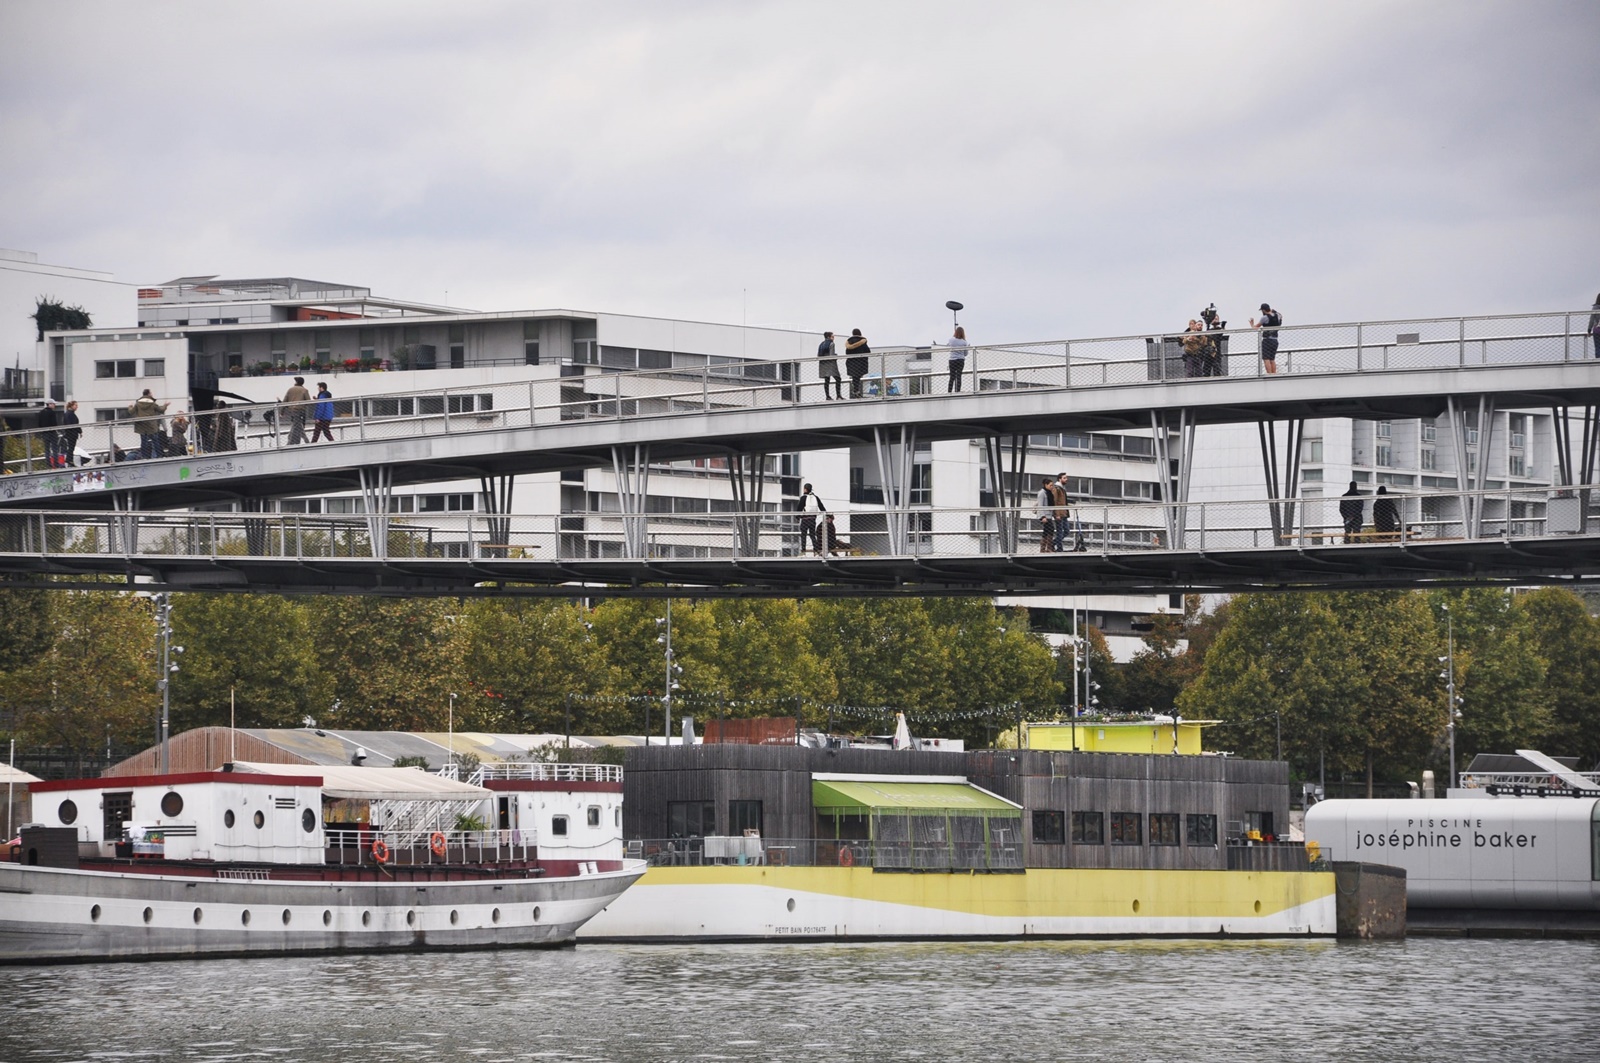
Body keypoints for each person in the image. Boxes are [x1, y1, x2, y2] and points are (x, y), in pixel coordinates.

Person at [127, 389, 169, 460]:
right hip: (151, 426)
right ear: (148, 394)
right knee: (156, 441)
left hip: (142, 426)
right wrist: (165, 405)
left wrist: (130, 406)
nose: (152, 394)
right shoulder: (152, 404)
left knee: (144, 442)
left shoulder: (138, 404)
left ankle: (144, 456)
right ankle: (159, 455)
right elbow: (161, 410)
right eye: (151, 393)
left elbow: (131, 412)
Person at [1250, 303, 1282, 374]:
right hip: (1275, 340)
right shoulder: (1277, 315)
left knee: (1266, 358)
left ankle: (1269, 373)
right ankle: (1274, 373)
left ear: (1263, 310)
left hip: (1267, 340)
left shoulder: (1265, 318)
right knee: (1272, 359)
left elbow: (1256, 327)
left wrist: (1252, 324)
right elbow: (1281, 316)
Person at [798, 482, 826, 555]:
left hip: (805, 519)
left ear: (805, 489)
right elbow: (821, 507)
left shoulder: (803, 498)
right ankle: (816, 549)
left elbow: (799, 508)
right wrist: (826, 514)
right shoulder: (816, 498)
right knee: (812, 535)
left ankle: (803, 550)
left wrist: (797, 516)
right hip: (813, 519)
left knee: (803, 535)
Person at [282, 376, 312, 444]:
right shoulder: (304, 390)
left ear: (296, 382)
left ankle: (292, 441)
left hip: (292, 410)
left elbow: (285, 401)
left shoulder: (290, 389)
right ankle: (302, 441)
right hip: (300, 410)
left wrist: (282, 411)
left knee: (296, 425)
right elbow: (308, 401)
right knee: (297, 426)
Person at [845, 329, 870, 399]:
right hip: (861, 362)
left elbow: (847, 352)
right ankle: (858, 391)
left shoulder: (849, 342)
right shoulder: (862, 341)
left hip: (851, 363)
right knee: (858, 377)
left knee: (854, 377)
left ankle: (855, 391)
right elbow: (867, 351)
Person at [817, 332, 842, 400]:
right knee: (838, 379)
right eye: (832, 336)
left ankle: (827, 396)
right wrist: (836, 356)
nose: (833, 337)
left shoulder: (821, 344)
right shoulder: (831, 343)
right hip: (831, 364)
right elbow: (831, 355)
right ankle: (838, 395)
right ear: (829, 337)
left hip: (823, 364)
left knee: (827, 380)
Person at [36, 401, 61, 468]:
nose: (54, 405)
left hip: (44, 433)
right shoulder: (52, 412)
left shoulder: (41, 412)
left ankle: (48, 464)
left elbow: (39, 424)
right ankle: (56, 463)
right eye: (53, 404)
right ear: (49, 404)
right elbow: (54, 423)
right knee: (54, 448)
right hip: (52, 432)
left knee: (47, 449)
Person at [946, 325, 969, 392]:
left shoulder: (951, 340)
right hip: (960, 360)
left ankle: (949, 391)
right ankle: (958, 391)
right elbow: (966, 353)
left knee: (952, 376)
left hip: (952, 360)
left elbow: (948, 345)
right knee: (959, 376)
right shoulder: (964, 342)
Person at [1035, 477, 1056, 552]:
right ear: (1046, 485)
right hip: (1044, 515)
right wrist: (1043, 516)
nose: (1052, 487)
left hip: (1049, 515)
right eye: (1050, 485)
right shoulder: (1042, 493)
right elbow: (1040, 505)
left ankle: (1044, 549)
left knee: (1046, 531)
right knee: (1050, 529)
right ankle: (1047, 548)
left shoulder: (1049, 493)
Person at [59, 401, 82, 467]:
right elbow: (73, 424)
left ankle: (69, 460)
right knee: (71, 447)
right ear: (71, 406)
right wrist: (79, 431)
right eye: (75, 405)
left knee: (71, 447)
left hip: (71, 433)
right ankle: (69, 460)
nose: (77, 407)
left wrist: (79, 431)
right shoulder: (69, 414)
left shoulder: (69, 414)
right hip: (71, 433)